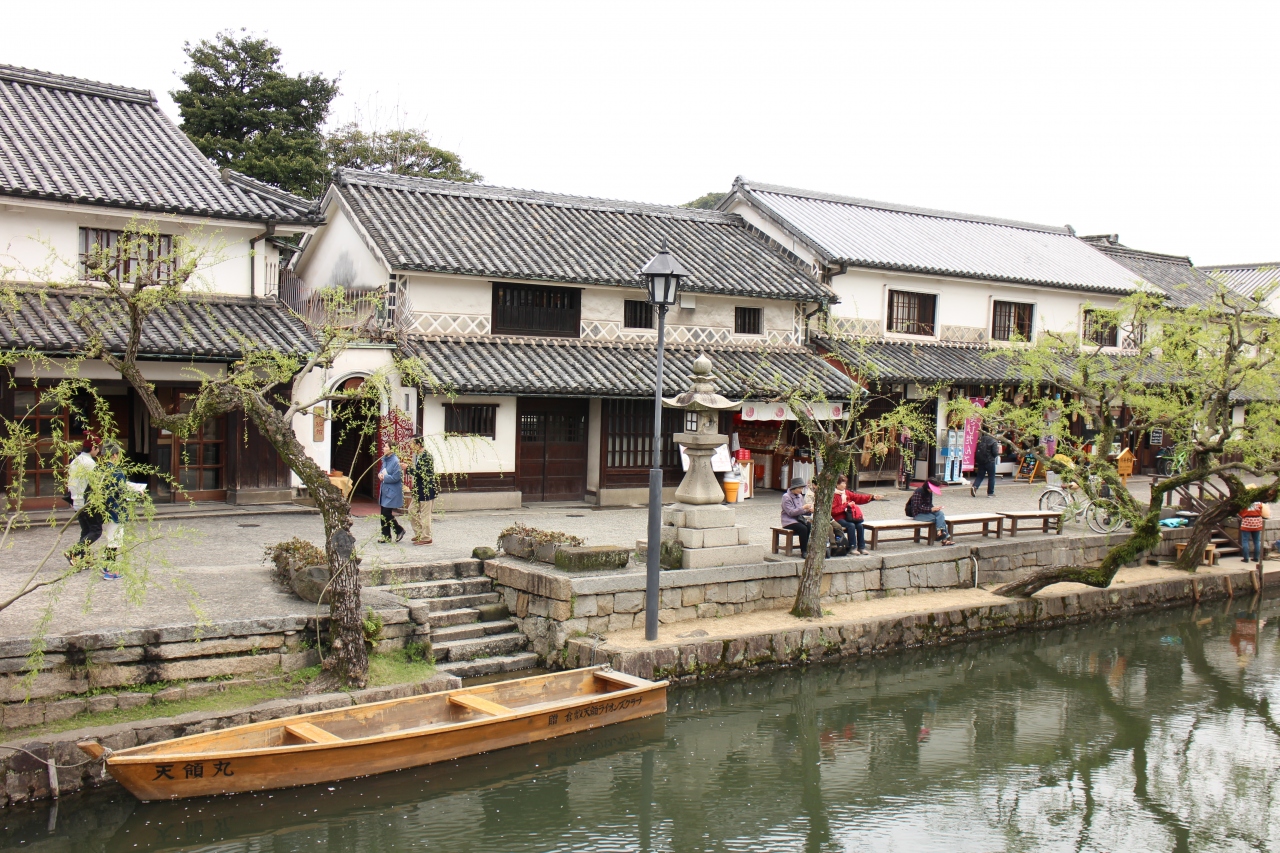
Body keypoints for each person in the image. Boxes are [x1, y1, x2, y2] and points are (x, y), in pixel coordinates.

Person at [65, 437, 102, 565]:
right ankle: (73, 552)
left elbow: (70, 483)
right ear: (93, 448)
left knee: (86, 530)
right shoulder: (90, 463)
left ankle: (85, 558)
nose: (98, 451)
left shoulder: (75, 461)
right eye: (98, 448)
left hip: (76, 500)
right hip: (87, 501)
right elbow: (95, 484)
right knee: (96, 530)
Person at [97, 441, 129, 579]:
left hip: (104, 508)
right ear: (115, 455)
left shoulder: (99, 470)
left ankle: (106, 565)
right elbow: (122, 492)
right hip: (116, 508)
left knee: (111, 538)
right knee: (114, 540)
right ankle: (109, 569)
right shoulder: (117, 472)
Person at [832, 473, 882, 555]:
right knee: (851, 525)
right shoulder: (833, 495)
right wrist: (846, 505)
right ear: (837, 484)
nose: (845, 485)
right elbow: (833, 511)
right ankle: (852, 547)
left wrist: (872, 497)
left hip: (849, 516)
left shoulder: (847, 493)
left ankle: (861, 547)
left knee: (859, 525)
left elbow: (858, 497)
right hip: (838, 517)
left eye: (845, 483)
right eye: (843, 483)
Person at [406, 436, 438, 545]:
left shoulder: (427, 457)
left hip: (426, 489)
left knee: (425, 514)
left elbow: (422, 474)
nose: (410, 446)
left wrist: (408, 469)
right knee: (411, 510)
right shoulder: (418, 456)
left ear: (418, 445)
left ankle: (426, 537)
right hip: (418, 489)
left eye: (412, 443)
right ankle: (419, 532)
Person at [907, 476, 955, 545]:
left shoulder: (929, 492)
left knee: (940, 514)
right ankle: (943, 538)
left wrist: (935, 508)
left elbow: (929, 504)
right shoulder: (918, 492)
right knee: (937, 519)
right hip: (918, 514)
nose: (932, 490)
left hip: (927, 512)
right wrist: (930, 509)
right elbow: (917, 507)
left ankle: (940, 533)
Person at [377, 444, 406, 543]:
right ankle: (386, 535)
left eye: (386, 447)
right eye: (384, 446)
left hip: (392, 491)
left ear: (392, 449)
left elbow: (396, 477)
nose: (383, 448)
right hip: (385, 490)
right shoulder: (385, 459)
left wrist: (384, 477)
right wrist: (380, 474)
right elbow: (382, 470)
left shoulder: (395, 461)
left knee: (386, 513)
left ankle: (399, 529)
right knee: (383, 514)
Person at [1238, 485, 1270, 563]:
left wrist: (1243, 515)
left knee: (1245, 540)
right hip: (1257, 521)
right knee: (1256, 541)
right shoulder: (1259, 502)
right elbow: (1262, 511)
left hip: (1247, 521)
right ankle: (1256, 558)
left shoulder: (1245, 500)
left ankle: (1246, 558)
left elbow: (1240, 511)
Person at [781, 476, 812, 555]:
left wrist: (809, 510)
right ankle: (803, 551)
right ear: (794, 488)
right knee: (803, 528)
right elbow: (791, 512)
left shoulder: (800, 496)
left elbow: (801, 511)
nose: (801, 490)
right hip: (788, 521)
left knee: (809, 525)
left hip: (798, 519)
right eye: (800, 488)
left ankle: (806, 546)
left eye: (802, 488)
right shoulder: (786, 497)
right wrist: (803, 508)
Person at [969, 432, 1005, 497]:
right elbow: (995, 453)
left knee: (980, 476)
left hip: (981, 461)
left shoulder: (980, 440)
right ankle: (990, 493)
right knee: (991, 477)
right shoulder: (993, 441)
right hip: (990, 461)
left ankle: (975, 486)